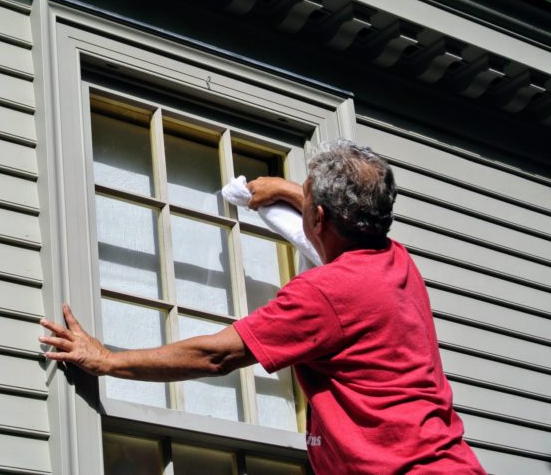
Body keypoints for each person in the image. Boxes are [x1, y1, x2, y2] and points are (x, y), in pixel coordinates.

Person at [39, 139, 486, 474]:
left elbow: (216, 355)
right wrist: (293, 191)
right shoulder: (397, 262)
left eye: (309, 198)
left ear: (320, 218)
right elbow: (346, 217)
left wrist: (109, 360)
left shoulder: (326, 293)